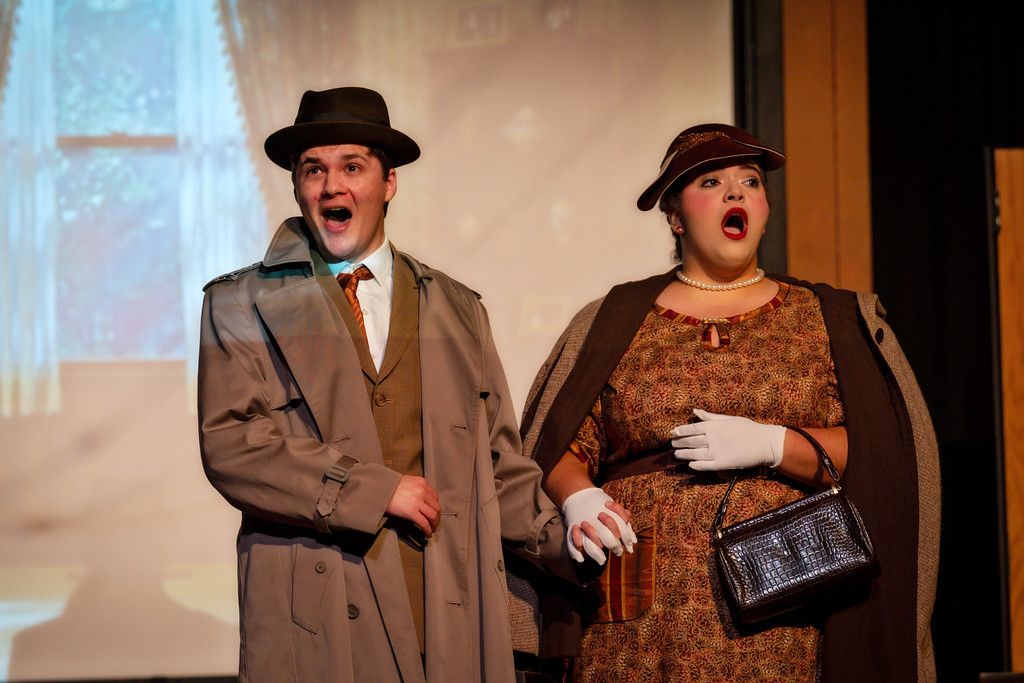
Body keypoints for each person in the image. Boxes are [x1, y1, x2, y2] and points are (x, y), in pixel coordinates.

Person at [197, 87, 626, 682]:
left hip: (442, 608)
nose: (332, 187)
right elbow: (233, 446)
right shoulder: (241, 302)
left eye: (353, 167)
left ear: (388, 182)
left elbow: (496, 466)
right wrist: (373, 491)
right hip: (318, 615)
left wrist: (567, 537)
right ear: (297, 186)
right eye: (313, 170)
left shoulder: (456, 308)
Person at [520, 124, 940, 681]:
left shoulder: (826, 318)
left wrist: (774, 443)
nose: (736, 192)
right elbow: (560, 441)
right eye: (712, 181)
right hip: (639, 624)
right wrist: (579, 497)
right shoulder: (614, 320)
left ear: (764, 208)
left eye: (750, 181)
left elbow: (882, 453)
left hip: (783, 619)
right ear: (674, 216)